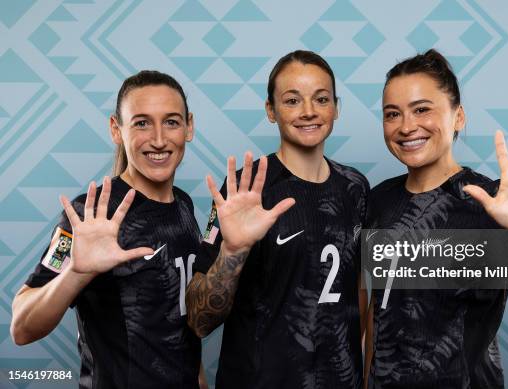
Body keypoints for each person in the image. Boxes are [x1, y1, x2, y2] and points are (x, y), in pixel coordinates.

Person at [364, 49, 508, 388]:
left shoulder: (492, 204)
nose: (406, 126)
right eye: (392, 114)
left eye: (422, 109)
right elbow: (380, 312)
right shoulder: (378, 200)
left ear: (458, 117)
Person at [11, 70, 209, 388]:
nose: (159, 139)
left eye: (171, 121)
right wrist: (77, 272)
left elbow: (178, 324)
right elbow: (22, 328)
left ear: (189, 127)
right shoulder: (91, 218)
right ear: (116, 129)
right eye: (141, 123)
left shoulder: (183, 205)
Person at [186, 50, 370, 388]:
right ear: (271, 111)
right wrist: (234, 250)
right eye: (292, 100)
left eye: (321, 98)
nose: (309, 111)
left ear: (336, 108)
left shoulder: (356, 188)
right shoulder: (243, 190)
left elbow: (354, 289)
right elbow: (199, 320)